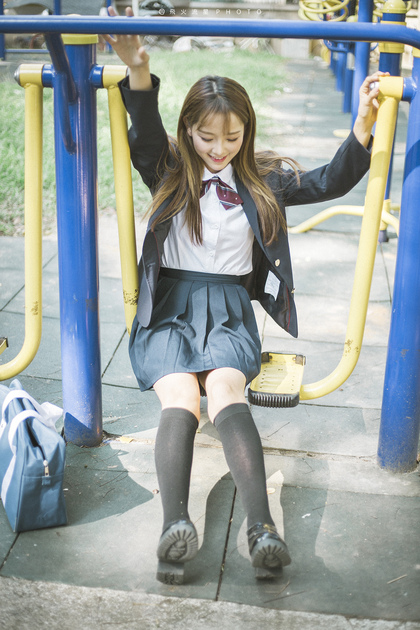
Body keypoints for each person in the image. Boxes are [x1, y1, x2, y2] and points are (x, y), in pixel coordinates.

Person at [104, 7, 385, 585]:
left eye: (232, 138)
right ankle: (174, 525)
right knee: (181, 396)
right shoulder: (167, 168)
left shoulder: (261, 179)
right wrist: (138, 68)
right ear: (188, 131)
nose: (219, 149)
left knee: (228, 390)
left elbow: (329, 180)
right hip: (169, 308)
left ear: (246, 133)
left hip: (229, 308)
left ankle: (262, 528)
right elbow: (145, 129)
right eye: (207, 137)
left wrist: (364, 123)